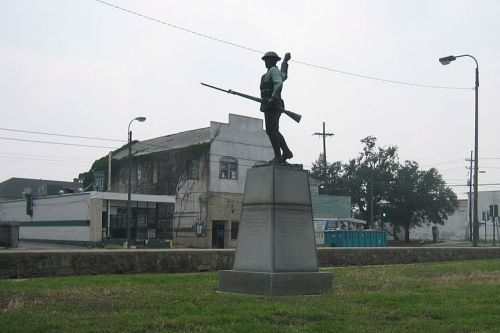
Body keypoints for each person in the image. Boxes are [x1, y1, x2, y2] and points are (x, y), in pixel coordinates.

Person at [260, 51, 293, 164]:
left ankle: (279, 156)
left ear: (272, 61)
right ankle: (286, 152)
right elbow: (283, 75)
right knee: (273, 130)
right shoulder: (272, 72)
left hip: (273, 105)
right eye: (265, 60)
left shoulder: (273, 71)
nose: (265, 62)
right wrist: (285, 61)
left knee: (271, 130)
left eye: (267, 60)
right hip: (269, 105)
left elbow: (279, 84)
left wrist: (273, 98)